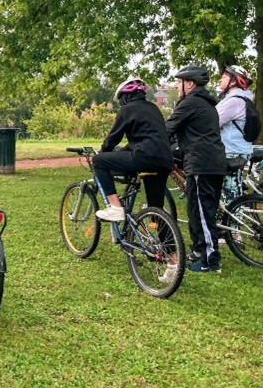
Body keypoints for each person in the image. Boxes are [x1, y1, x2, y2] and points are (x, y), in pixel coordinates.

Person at [166, 65, 227, 273]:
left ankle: (211, 259)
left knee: (202, 212)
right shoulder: (205, 103)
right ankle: (199, 250)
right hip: (206, 162)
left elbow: (169, 128)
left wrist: (151, 141)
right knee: (195, 209)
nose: (176, 85)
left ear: (189, 83)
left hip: (203, 164)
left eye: (179, 82)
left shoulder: (190, 102)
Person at [93, 77, 173, 223]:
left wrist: (103, 151)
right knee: (157, 208)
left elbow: (113, 138)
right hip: (164, 159)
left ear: (125, 97)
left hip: (144, 157)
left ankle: (116, 209)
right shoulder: (153, 108)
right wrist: (123, 150)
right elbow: (146, 137)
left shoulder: (127, 109)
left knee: (98, 161)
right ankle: (168, 245)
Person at [216, 65, 255, 204]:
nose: (220, 80)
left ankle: (234, 224)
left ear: (233, 81)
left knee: (231, 197)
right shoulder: (242, 99)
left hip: (231, 150)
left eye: (224, 77)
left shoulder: (234, 101)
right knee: (233, 191)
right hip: (238, 149)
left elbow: (212, 123)